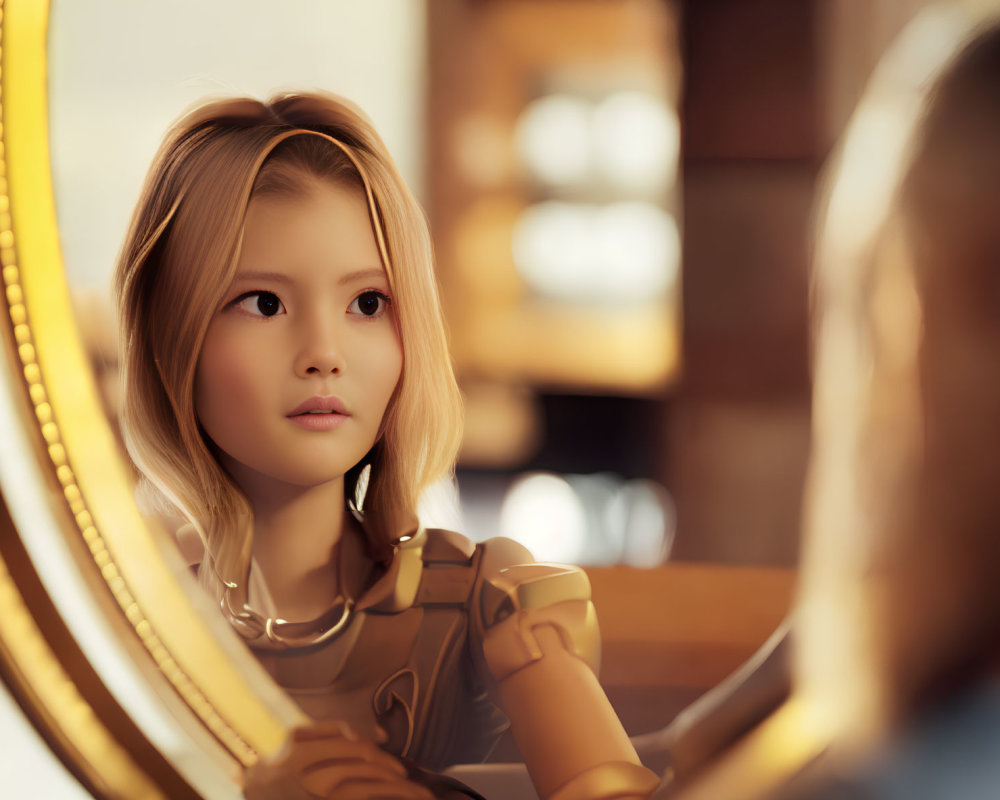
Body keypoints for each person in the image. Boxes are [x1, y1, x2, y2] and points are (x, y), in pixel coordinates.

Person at [113, 92, 659, 800]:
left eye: (367, 304)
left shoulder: (490, 605)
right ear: (168, 336)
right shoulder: (131, 617)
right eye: (264, 303)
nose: (323, 354)